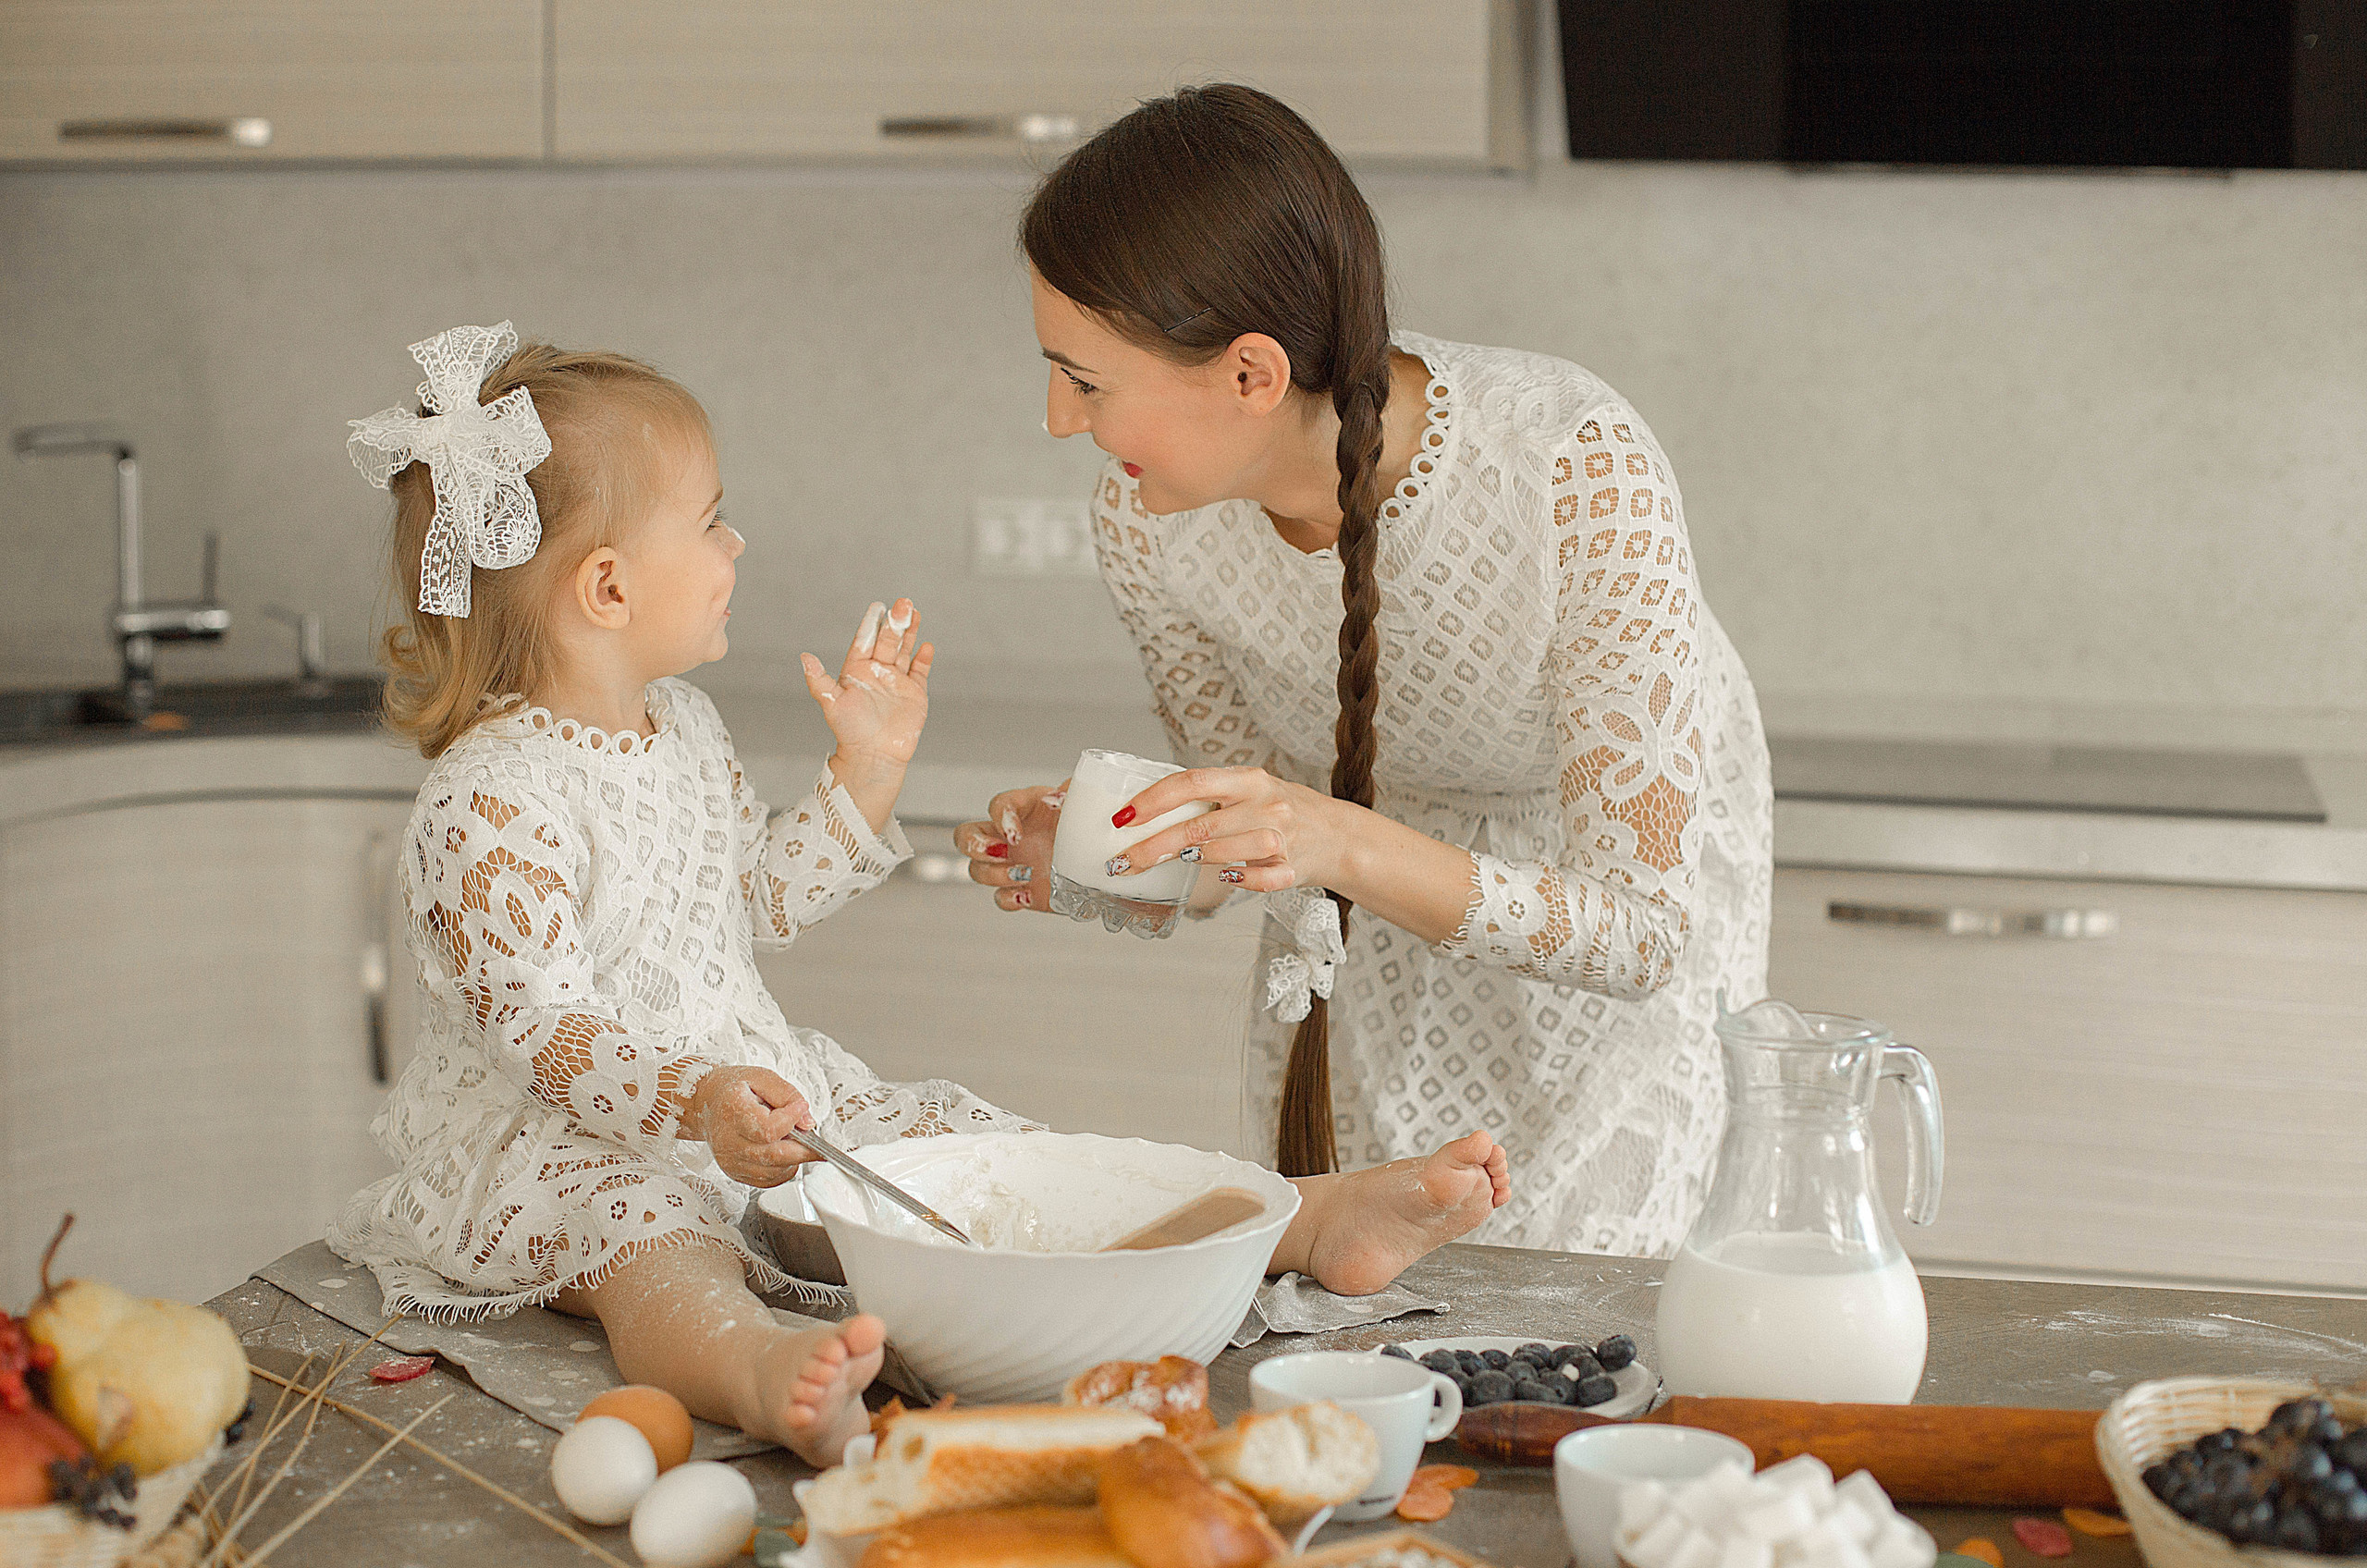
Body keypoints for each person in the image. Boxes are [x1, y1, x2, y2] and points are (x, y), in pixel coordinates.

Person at [326, 322, 1512, 1466]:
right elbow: (538, 1029)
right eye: (711, 521)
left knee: (962, 1145)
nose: (736, 546)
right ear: (606, 588)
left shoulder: (681, 726)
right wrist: (693, 1098)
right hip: (567, 1144)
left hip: (744, 1094)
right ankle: (759, 1371)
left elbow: (753, 906)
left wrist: (867, 771)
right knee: (652, 1245)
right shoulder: (489, 798)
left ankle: (1295, 1221)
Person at [960, 86, 1773, 1258]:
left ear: (1249, 373)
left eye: (1083, 379)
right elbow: (1272, 846)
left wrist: (1332, 839)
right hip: (1370, 911)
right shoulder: (1148, 522)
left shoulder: (1571, 467)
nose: (1055, 418)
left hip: (1603, 906)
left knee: (1581, 1304)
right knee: (1359, 1285)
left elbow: (1642, 936)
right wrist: (1108, 857)